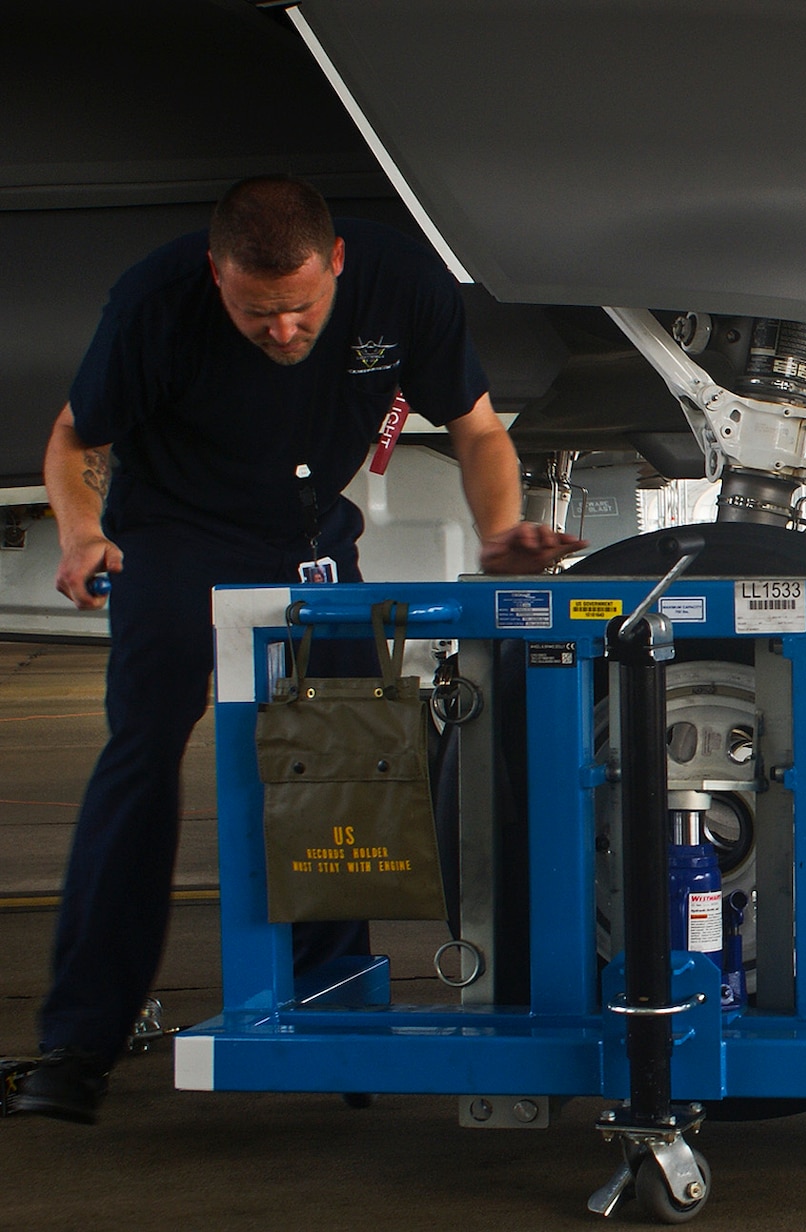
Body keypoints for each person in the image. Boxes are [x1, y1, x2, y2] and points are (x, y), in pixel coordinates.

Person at [5, 176, 582, 1124]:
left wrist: (500, 530)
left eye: (301, 308)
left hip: (313, 546)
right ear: (216, 276)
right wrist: (78, 531)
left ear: (338, 266)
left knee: (349, 769)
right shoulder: (154, 305)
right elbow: (76, 438)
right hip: (174, 538)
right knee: (141, 757)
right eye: (256, 311)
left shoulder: (403, 286)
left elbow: (478, 428)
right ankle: (80, 1040)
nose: (280, 330)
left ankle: (335, 1015)